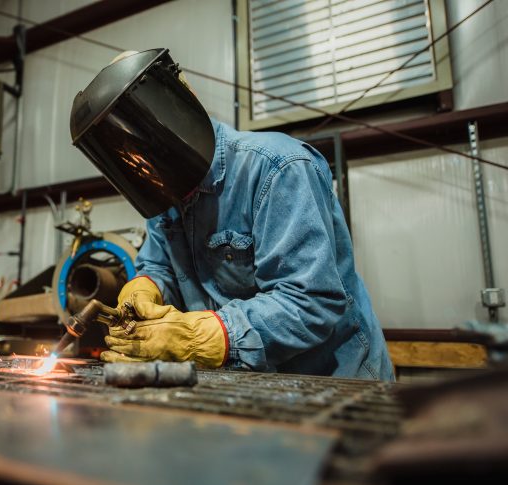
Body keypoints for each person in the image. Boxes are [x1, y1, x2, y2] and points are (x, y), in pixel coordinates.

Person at [69, 48, 394, 380]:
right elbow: (160, 265)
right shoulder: (161, 189)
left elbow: (311, 302)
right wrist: (144, 287)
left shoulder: (278, 169)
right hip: (250, 388)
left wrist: (205, 338)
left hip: (334, 384)